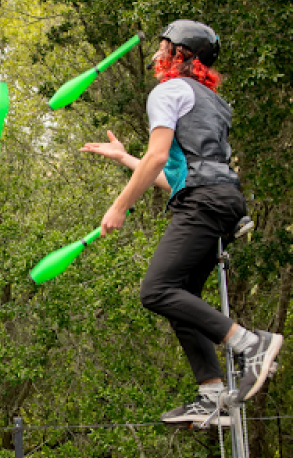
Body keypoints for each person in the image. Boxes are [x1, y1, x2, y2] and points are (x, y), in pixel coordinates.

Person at [80, 19, 284, 426]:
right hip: (221, 200)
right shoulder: (211, 101)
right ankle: (211, 395)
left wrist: (119, 207)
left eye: (164, 48)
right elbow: (175, 174)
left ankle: (251, 344)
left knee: (155, 290)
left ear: (182, 56)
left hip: (203, 203)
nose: (156, 55)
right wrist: (125, 159)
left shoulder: (167, 91)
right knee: (180, 299)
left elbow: (159, 158)